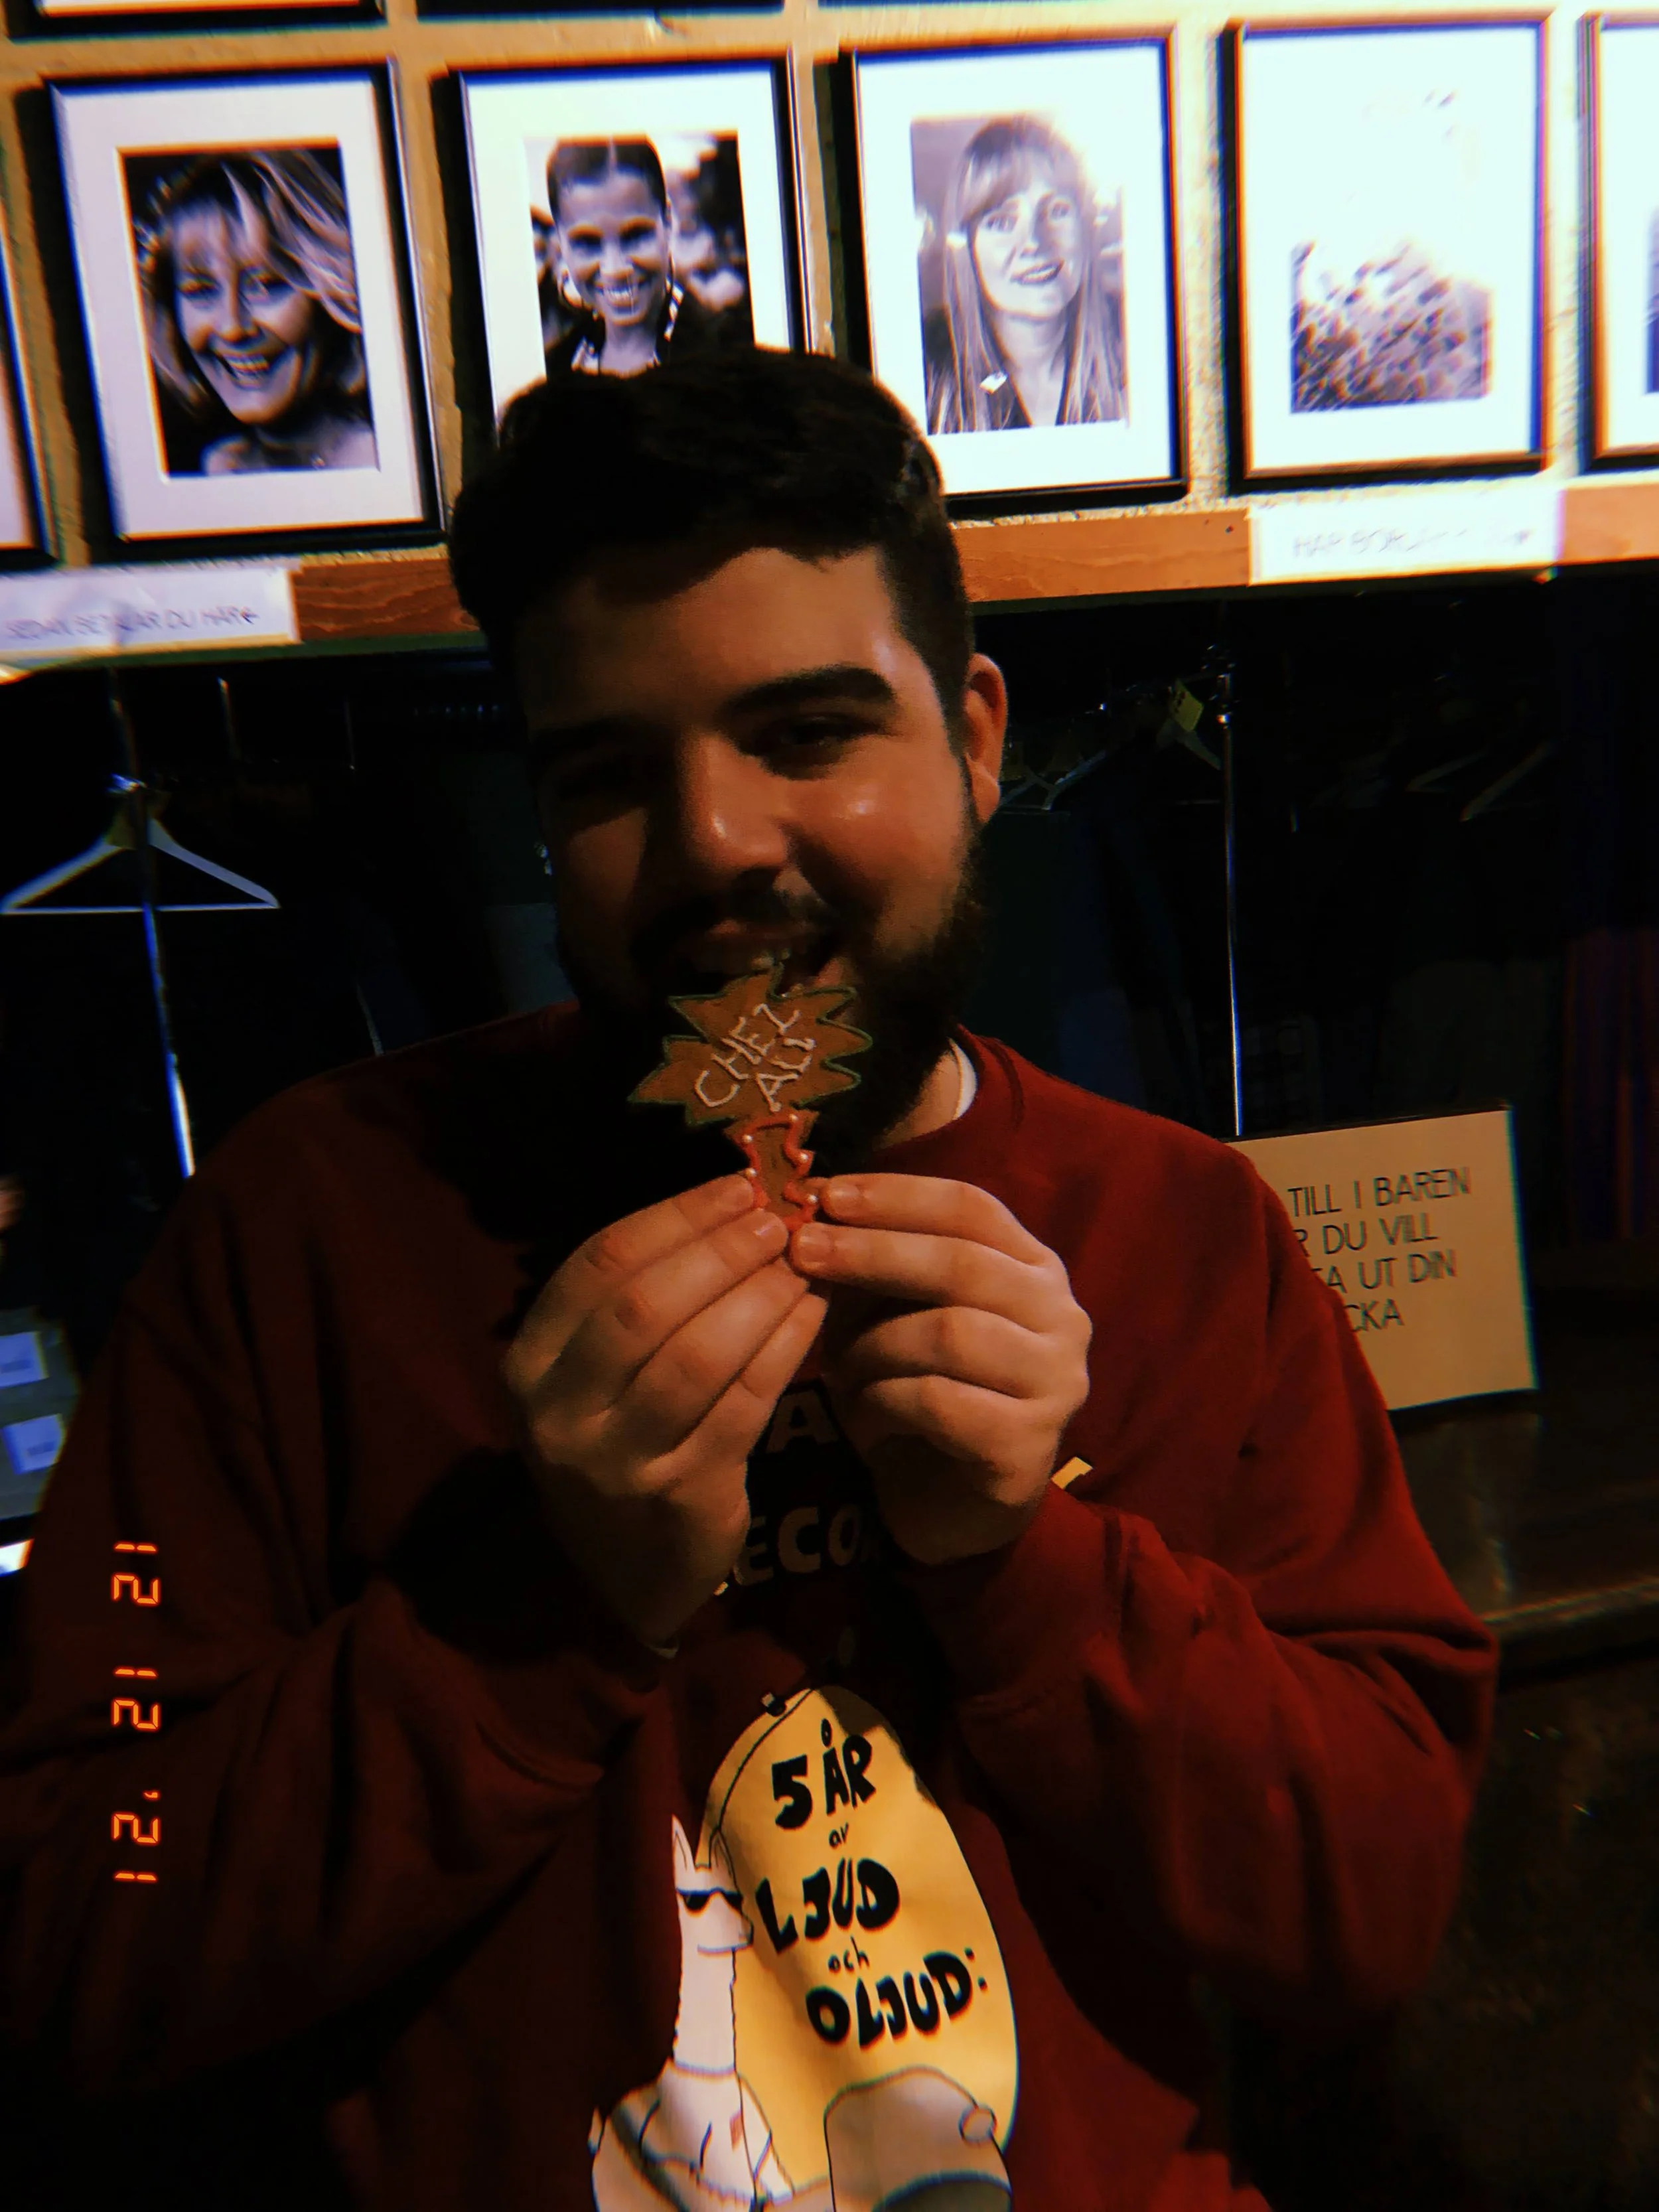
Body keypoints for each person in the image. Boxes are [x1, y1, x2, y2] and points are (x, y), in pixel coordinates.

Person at [0, 349, 1496, 2210]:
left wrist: (1026, 1560)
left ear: (973, 738)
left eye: (805, 733)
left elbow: (1374, 1899)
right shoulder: (308, 1226)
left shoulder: (1185, 1233)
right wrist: (539, 1601)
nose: (711, 842)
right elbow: (86, 1902)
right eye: (609, 772)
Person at [135, 148, 378, 477]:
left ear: (331, 295)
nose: (233, 327)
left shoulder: (381, 461)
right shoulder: (219, 466)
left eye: (264, 285)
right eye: (201, 290)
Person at [924, 115, 1125, 434]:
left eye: (1057, 211)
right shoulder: (927, 369)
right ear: (968, 248)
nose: (1034, 242)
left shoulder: (1133, 344)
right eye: (1002, 222)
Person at [541, 138, 753, 379]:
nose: (615, 269)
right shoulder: (557, 366)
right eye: (588, 243)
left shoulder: (730, 352)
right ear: (560, 245)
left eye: (635, 236)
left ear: (668, 222)